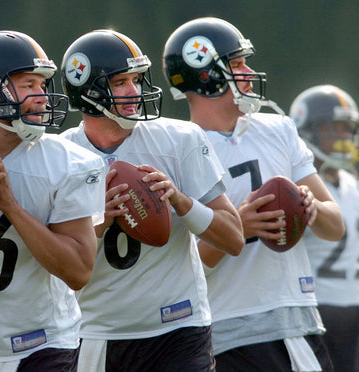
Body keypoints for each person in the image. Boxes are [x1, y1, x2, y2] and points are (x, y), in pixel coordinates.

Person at [163, 17, 345, 371]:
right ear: (206, 75)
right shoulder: (174, 149)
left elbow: (334, 225)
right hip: (224, 327)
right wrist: (235, 230)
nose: (249, 71)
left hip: (295, 318)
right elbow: (177, 271)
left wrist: (310, 208)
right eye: (237, 64)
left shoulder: (277, 129)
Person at [60, 29, 244, 372]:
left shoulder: (179, 139)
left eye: (137, 79)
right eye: (120, 82)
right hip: (99, 333)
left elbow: (233, 238)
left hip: (179, 329)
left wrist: (180, 201)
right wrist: (98, 221)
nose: (135, 91)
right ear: (87, 91)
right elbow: (57, 268)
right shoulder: (61, 156)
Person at [0, 30, 105, 371]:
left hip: (42, 347)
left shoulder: (69, 163)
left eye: (42, 86)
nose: (41, 97)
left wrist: (10, 206)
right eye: (28, 85)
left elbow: (79, 270)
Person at [289, 84, 359, 371]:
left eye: (347, 129)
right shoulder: (296, 187)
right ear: (308, 130)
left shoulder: (353, 183)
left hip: (354, 306)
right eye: (334, 128)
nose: (343, 137)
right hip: (316, 306)